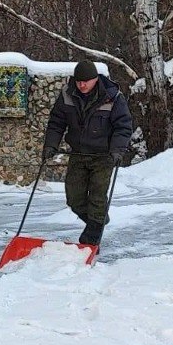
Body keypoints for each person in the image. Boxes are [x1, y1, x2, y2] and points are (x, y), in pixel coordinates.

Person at [43, 60, 134, 246]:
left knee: (97, 198)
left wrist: (117, 150)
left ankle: (91, 240)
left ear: (95, 79)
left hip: (104, 156)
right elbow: (56, 123)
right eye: (78, 81)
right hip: (78, 154)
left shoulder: (113, 97)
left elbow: (123, 127)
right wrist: (50, 145)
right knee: (74, 199)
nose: (81, 85)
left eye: (86, 81)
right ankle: (98, 222)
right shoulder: (67, 95)